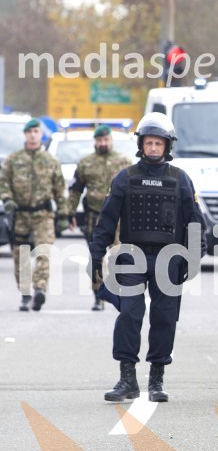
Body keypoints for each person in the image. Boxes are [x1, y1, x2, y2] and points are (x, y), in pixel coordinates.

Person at [90, 112, 207, 403]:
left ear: (167, 146)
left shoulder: (181, 180)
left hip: (170, 258)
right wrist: (96, 255)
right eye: (149, 143)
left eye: (158, 143)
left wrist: (193, 259)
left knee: (164, 317)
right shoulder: (125, 178)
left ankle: (156, 379)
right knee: (130, 314)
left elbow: (195, 223)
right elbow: (106, 219)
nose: (153, 148)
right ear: (141, 145)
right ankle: (127, 378)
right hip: (132, 256)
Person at [0, 118, 71, 311]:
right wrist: (7, 199)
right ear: (25, 135)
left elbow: (60, 189)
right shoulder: (13, 160)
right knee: (20, 255)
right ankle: (25, 293)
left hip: (43, 214)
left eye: (36, 132)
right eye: (29, 132)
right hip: (20, 215)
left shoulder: (50, 161)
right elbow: (3, 182)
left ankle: (39, 289)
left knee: (44, 252)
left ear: (41, 135)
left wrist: (64, 214)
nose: (32, 135)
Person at [68, 124, 132, 311]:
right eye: (99, 140)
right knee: (96, 256)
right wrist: (70, 212)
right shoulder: (86, 163)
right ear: (95, 142)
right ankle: (98, 294)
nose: (103, 143)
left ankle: (121, 291)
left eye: (106, 140)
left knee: (120, 255)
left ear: (111, 140)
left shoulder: (124, 162)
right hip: (94, 217)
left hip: (120, 218)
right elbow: (75, 190)